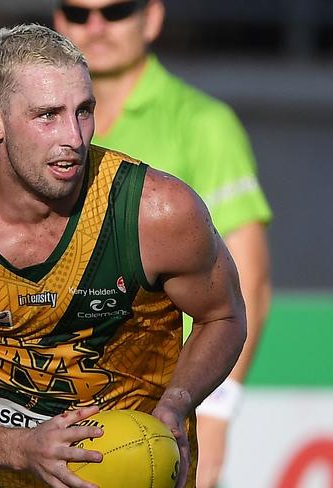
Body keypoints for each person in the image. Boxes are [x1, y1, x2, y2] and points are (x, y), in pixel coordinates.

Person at [0, 24, 246, 488]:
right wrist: (19, 448)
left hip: (123, 471)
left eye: (84, 111)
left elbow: (224, 317)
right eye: (47, 115)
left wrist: (177, 401)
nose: (72, 135)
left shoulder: (157, 212)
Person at [53, 1, 272, 486]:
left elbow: (248, 281)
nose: (95, 27)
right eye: (78, 12)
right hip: (57, 414)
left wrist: (214, 408)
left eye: (116, 11)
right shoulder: (41, 129)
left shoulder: (202, 124)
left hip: (157, 417)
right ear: (58, 21)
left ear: (151, 18)